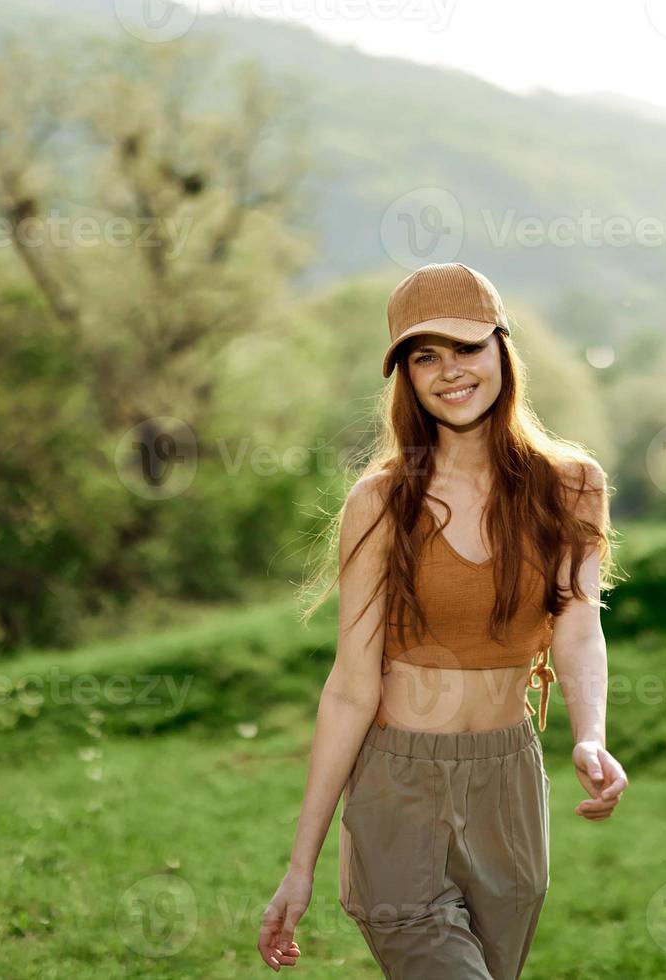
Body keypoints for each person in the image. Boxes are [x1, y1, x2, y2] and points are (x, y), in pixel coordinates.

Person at [257, 262, 629, 977]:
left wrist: (590, 736)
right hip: (398, 785)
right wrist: (300, 866)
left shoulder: (572, 485)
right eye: (424, 356)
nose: (448, 372)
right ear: (405, 376)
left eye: (465, 348)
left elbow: (579, 624)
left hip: (509, 784)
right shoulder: (380, 502)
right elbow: (349, 687)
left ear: (501, 350)